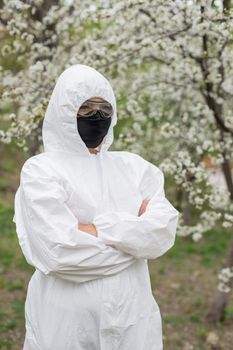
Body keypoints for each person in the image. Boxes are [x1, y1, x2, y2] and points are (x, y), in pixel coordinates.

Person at [13, 64, 179, 350]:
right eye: (86, 108)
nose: (97, 116)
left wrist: (91, 229)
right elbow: (59, 252)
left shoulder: (136, 168)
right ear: (63, 111)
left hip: (132, 318)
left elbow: (161, 235)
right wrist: (133, 240)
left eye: (105, 108)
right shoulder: (41, 170)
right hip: (66, 325)